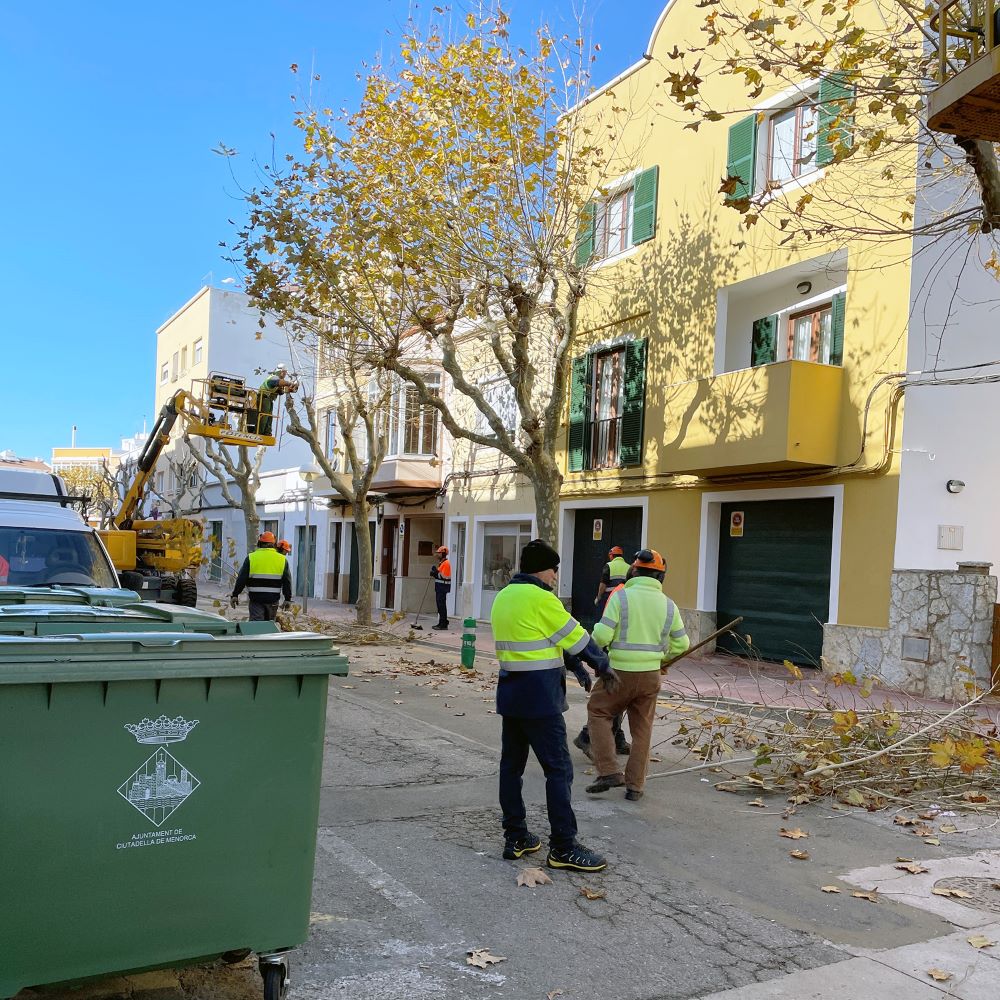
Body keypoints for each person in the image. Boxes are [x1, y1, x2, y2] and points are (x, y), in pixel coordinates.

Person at [490, 538, 614, 873]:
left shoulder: (504, 596)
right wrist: (601, 665)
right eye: (554, 569)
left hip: (511, 695)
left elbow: (544, 638)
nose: (555, 576)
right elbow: (577, 638)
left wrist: (573, 667)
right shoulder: (541, 598)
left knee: (511, 767)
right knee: (559, 770)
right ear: (543, 570)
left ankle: (516, 837)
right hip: (541, 699)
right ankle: (563, 846)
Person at [585, 549, 689, 802]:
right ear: (661, 577)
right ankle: (635, 787)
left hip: (618, 674)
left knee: (599, 712)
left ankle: (609, 770)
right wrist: (662, 661)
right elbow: (682, 644)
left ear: (634, 571)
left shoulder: (621, 598)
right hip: (651, 676)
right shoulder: (669, 605)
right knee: (642, 730)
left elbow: (601, 637)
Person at [230, 531, 292, 621]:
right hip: (273, 600)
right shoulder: (282, 560)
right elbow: (287, 581)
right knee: (270, 628)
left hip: (256, 600)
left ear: (259, 543)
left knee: (256, 628)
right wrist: (287, 599)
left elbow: (242, 579)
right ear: (274, 544)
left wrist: (235, 594)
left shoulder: (251, 557)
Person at [253, 364, 297, 437]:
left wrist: (286, 390)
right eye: (285, 372)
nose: (285, 374)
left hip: (268, 399)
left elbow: (280, 390)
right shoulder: (273, 378)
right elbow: (279, 382)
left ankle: (267, 432)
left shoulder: (276, 380)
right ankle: (258, 432)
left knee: (269, 416)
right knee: (264, 416)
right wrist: (290, 383)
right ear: (281, 372)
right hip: (263, 398)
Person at [594, 545, 631, 616]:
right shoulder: (629, 567)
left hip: (609, 597)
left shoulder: (608, 565)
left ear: (611, 555)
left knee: (607, 617)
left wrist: (598, 597)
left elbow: (603, 584)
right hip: (624, 598)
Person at [430, 545, 451, 631]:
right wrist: (435, 572)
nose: (437, 554)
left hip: (443, 588)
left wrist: (435, 573)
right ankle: (441, 622)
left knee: (441, 606)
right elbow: (440, 575)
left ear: (443, 553)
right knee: (440, 606)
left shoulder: (446, 563)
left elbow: (444, 576)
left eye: (439, 553)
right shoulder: (442, 563)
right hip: (440, 587)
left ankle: (443, 624)